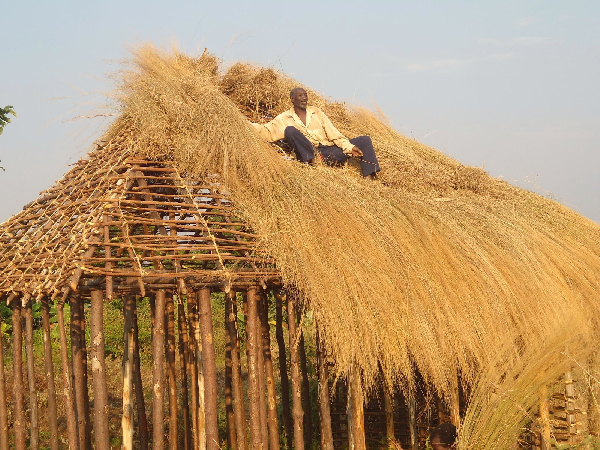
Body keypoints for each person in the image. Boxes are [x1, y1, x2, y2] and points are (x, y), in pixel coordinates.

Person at [250, 87, 381, 178]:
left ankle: (369, 178)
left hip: (330, 152)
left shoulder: (317, 113)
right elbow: (266, 131)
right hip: (311, 152)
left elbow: (334, 134)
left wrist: (350, 147)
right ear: (292, 99)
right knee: (290, 130)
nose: (304, 98)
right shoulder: (284, 118)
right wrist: (243, 123)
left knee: (365, 140)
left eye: (305, 95)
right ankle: (313, 163)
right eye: (300, 95)